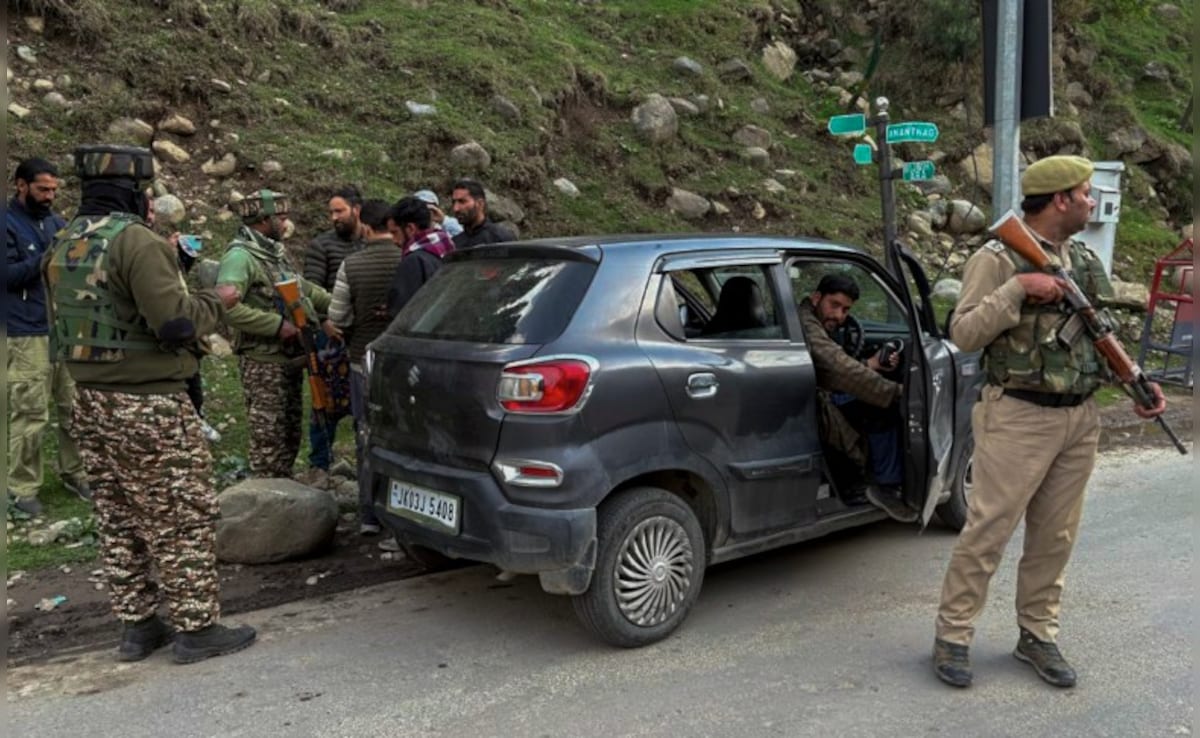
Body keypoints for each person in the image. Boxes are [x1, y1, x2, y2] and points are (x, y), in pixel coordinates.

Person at [931, 155, 1167, 689]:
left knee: (1055, 536)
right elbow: (963, 333)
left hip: (1079, 417)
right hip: (1017, 414)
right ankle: (953, 636)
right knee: (988, 530)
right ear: (1060, 200)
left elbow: (1099, 332)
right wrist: (1018, 290)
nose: (1092, 202)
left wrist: (1136, 383)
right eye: (1084, 194)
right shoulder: (997, 257)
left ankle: (1037, 634)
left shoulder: (1082, 260)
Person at [43, 144, 256, 664]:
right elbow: (175, 324)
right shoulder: (137, 241)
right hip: (148, 404)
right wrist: (218, 301)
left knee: (118, 515)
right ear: (137, 196)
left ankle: (138, 627)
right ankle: (196, 629)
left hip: (90, 400)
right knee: (180, 514)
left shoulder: (66, 240)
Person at [216, 190, 335, 478]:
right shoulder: (240, 257)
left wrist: (340, 306)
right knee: (268, 438)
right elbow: (225, 308)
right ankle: (265, 495)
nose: (285, 223)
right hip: (263, 362)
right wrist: (277, 326)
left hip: (289, 359)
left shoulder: (274, 254)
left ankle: (284, 491)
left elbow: (304, 289)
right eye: (280, 218)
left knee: (289, 433)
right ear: (263, 220)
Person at [6, 156, 89, 515]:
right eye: (43, 189)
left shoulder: (56, 223)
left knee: (74, 406)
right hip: (26, 331)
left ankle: (75, 472)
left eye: (54, 190)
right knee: (30, 411)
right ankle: (22, 488)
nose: (50, 196)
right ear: (21, 185)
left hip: (64, 329)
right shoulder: (6, 224)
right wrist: (46, 257)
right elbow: (7, 276)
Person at [798, 273, 914, 522]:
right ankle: (885, 485)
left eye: (846, 310)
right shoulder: (807, 327)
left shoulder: (812, 320)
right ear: (816, 298)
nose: (839, 316)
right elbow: (838, 367)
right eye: (834, 305)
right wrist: (898, 393)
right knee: (882, 408)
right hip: (815, 403)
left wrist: (870, 364)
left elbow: (838, 366)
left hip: (821, 393)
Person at [327, 200, 406, 534]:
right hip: (403, 363)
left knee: (366, 436)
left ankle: (370, 514)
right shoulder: (407, 259)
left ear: (365, 225)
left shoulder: (352, 264)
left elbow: (338, 317)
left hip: (363, 360)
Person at [301, 186, 361, 472]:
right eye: (331, 212)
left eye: (340, 211)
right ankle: (320, 463)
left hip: (360, 335)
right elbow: (311, 289)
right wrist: (324, 321)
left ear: (356, 210)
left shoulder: (369, 242)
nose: (334, 217)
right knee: (324, 400)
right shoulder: (322, 246)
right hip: (330, 336)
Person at [385, 195, 455, 317]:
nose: (394, 240)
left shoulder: (413, 262)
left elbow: (402, 312)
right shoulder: (450, 251)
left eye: (395, 232)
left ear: (410, 228)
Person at [449, 178, 515, 249]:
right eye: (453, 202)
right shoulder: (455, 244)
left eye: (462, 202)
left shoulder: (501, 238)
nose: (456, 208)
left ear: (480, 204)